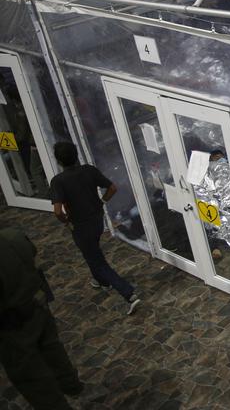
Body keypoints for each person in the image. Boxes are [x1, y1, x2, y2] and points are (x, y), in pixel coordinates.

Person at [49, 142, 140, 315]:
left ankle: (128, 293)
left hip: (80, 226)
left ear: (59, 161)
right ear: (76, 155)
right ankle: (100, 281)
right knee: (91, 252)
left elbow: (57, 211)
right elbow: (112, 188)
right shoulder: (89, 170)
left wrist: (66, 221)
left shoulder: (58, 181)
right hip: (97, 220)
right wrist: (102, 202)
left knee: (97, 261)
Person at [0, 228, 83, 410]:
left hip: (13, 326)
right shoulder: (14, 235)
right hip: (37, 305)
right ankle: (71, 384)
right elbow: (32, 254)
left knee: (31, 376)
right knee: (52, 348)